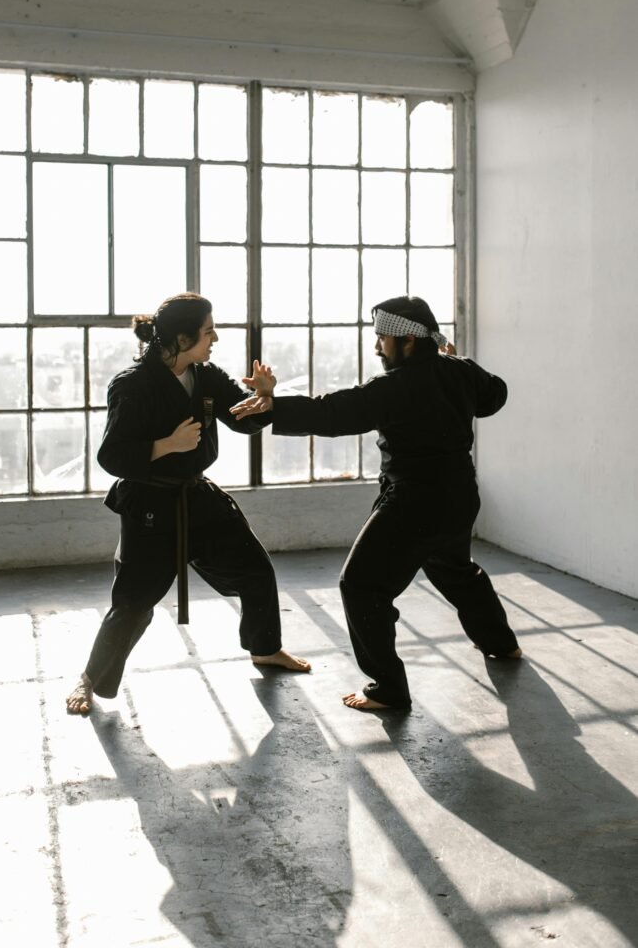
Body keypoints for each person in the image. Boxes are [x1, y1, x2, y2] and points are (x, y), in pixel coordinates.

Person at [231, 295, 520, 712]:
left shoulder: (395, 386)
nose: (377, 347)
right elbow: (495, 396)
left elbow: (334, 414)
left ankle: (388, 688)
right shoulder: (458, 371)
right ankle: (501, 644)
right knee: (455, 569)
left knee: (362, 586)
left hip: (414, 502)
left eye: (382, 339)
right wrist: (459, 365)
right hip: (459, 495)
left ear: (406, 342)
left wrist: (274, 406)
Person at [66, 293, 310, 715]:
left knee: (255, 569)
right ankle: (89, 680)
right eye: (208, 330)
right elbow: (112, 457)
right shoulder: (132, 385)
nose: (215, 338)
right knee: (134, 603)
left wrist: (266, 400)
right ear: (181, 338)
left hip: (196, 495)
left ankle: (265, 648)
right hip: (149, 504)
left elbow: (241, 418)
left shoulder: (206, 375)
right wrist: (166, 445)